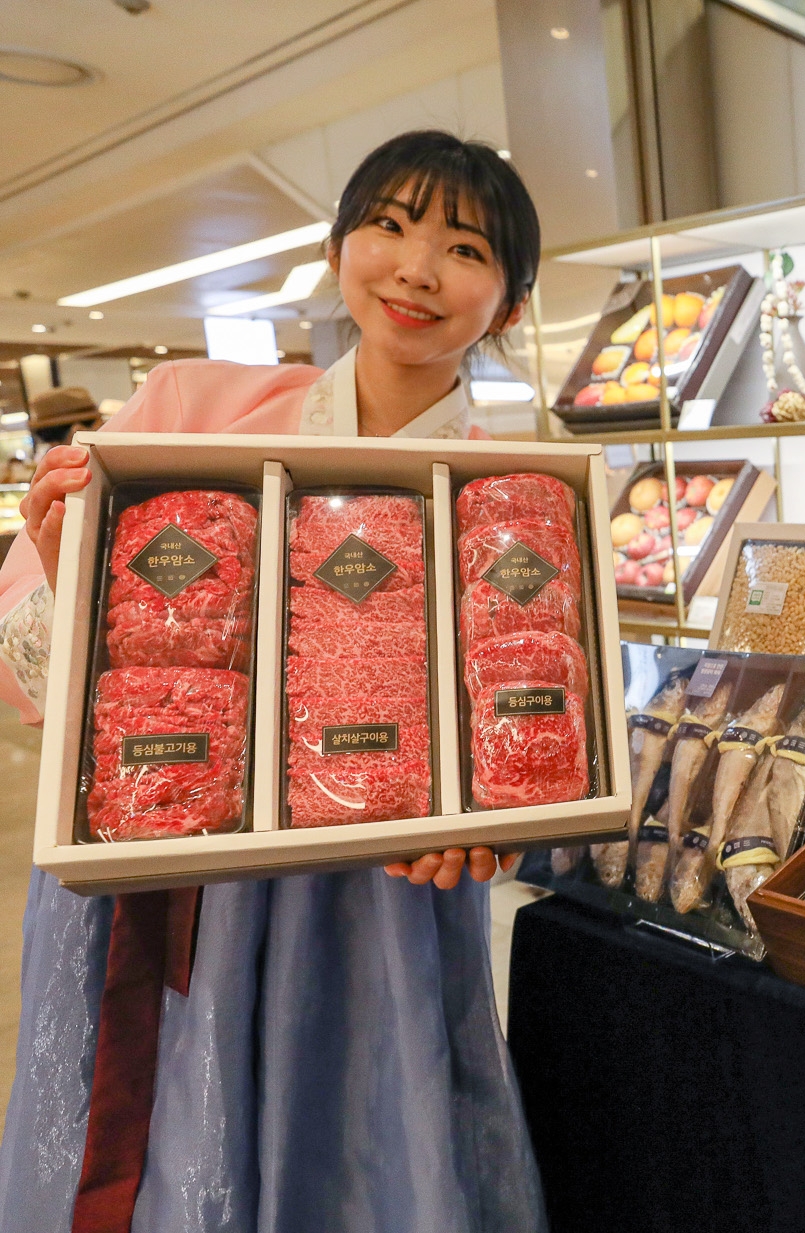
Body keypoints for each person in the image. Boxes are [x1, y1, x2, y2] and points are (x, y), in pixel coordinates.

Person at [0, 132, 546, 1230]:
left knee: (356, 1148)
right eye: (386, 227)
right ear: (339, 247)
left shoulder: (512, 499)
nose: (414, 268)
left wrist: (492, 824)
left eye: (462, 246)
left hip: (376, 887)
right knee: (154, 1152)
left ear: (511, 306)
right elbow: (33, 680)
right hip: (170, 859)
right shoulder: (191, 408)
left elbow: (526, 720)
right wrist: (69, 566)